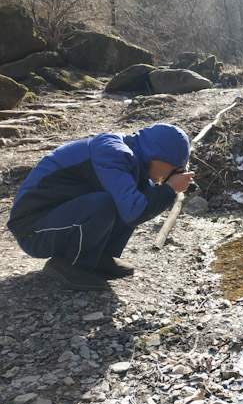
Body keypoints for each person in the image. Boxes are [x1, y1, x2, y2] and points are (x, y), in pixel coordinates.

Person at [7, 123, 195, 291]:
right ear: (157, 157)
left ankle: (98, 257)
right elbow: (134, 213)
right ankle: (69, 265)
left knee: (132, 195)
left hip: (58, 218)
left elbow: (139, 203)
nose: (177, 172)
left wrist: (164, 189)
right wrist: (169, 190)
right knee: (106, 203)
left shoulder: (135, 158)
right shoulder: (113, 153)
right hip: (32, 230)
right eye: (176, 167)